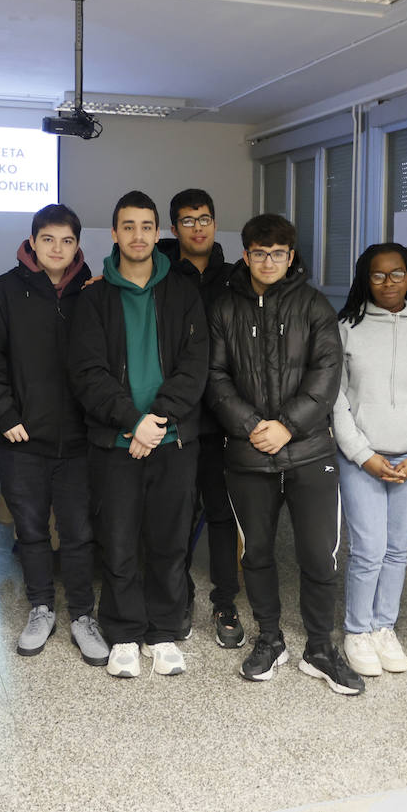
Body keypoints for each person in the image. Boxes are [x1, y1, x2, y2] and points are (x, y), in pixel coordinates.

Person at [207, 214, 365, 695]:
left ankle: (320, 648)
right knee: (256, 554)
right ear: (246, 254)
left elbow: (327, 374)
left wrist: (287, 427)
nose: (269, 261)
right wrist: (255, 426)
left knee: (320, 555)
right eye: (259, 252)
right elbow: (214, 378)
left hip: (309, 452)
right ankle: (270, 640)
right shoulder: (224, 308)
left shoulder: (316, 306)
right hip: (248, 454)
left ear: (291, 256)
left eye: (278, 253)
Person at [68, 190, 209, 678]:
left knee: (169, 542)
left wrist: (158, 421)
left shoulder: (184, 294)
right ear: (113, 234)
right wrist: (134, 422)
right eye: (127, 226)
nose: (138, 235)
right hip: (116, 443)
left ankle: (165, 631)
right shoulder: (94, 298)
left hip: (173, 442)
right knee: (120, 541)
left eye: (146, 226)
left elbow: (195, 368)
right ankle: (125, 632)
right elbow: (87, 374)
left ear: (159, 233)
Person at [0, 204, 109, 665]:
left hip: (79, 439)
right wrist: (6, 414)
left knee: (77, 532)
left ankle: (83, 617)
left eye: (67, 241)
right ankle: (40, 608)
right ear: (32, 241)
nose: (57, 248)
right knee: (30, 531)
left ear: (77, 246)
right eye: (48, 239)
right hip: (22, 437)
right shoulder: (6, 292)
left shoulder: (93, 292)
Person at [333, 242, 407, 679]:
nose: (389, 283)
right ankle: (357, 630)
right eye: (379, 275)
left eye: (398, 274)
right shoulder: (347, 328)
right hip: (361, 457)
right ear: (366, 279)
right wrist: (362, 455)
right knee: (368, 549)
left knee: (398, 550)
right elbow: (335, 399)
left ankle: (384, 626)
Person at [160, 188, 243, 648]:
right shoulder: (161, 275)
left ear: (215, 223)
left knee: (221, 515)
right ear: (175, 228)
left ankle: (225, 600)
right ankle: (181, 594)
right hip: (176, 419)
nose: (198, 227)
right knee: (174, 515)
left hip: (223, 419)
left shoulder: (236, 277)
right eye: (188, 221)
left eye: (205, 219)